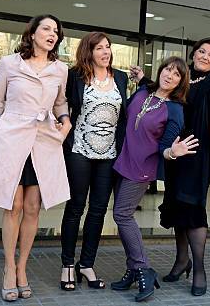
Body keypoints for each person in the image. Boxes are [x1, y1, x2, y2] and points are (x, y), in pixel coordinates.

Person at [0, 15, 71, 302]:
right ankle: (7, 267)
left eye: (56, 31)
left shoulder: (60, 69)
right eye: (46, 28)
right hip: (13, 138)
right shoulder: (9, 63)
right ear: (32, 33)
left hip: (44, 141)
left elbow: (60, 101)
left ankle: (22, 268)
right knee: (13, 204)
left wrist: (65, 120)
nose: (52, 34)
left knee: (33, 207)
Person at [130, 38, 210, 296]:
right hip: (174, 150)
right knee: (177, 205)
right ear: (194, 53)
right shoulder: (185, 76)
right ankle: (181, 260)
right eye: (201, 51)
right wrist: (144, 80)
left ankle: (199, 269)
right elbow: (163, 91)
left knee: (193, 207)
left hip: (198, 154)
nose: (205, 56)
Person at [112, 56, 198, 302]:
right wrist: (140, 76)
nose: (169, 75)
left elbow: (165, 147)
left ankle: (143, 269)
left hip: (141, 168)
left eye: (176, 74)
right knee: (121, 216)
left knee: (122, 215)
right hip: (121, 161)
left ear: (181, 82)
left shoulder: (175, 110)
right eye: (167, 70)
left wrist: (173, 152)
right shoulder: (145, 91)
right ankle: (132, 270)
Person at [59, 32, 129, 291]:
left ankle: (86, 263)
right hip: (79, 150)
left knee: (98, 210)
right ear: (89, 51)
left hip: (109, 154)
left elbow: (125, 115)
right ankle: (67, 263)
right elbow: (61, 106)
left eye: (108, 47)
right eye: (99, 48)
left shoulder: (120, 78)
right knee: (76, 207)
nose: (105, 52)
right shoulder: (75, 76)